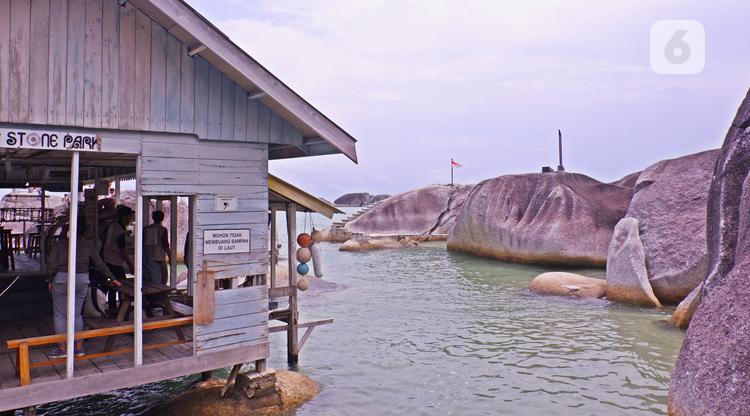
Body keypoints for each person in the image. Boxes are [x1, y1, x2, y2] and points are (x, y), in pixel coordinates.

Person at [47, 216, 121, 359]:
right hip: (82, 279)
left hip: (62, 278)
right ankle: (79, 348)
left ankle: (63, 349)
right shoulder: (88, 245)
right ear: (83, 231)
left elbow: (52, 263)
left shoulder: (60, 244)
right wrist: (112, 278)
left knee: (60, 315)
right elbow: (99, 263)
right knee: (76, 314)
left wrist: (50, 279)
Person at [102, 206, 134, 312]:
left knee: (112, 286)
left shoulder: (112, 226)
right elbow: (122, 249)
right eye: (130, 217)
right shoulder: (119, 230)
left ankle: (112, 307)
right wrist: (130, 265)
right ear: (125, 216)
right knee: (122, 286)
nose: (131, 219)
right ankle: (122, 308)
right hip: (114, 262)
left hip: (106, 260)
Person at [143, 210, 170, 285]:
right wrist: (170, 257)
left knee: (148, 278)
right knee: (162, 279)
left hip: (147, 257)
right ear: (162, 218)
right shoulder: (163, 230)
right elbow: (165, 245)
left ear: (152, 218)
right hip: (159, 258)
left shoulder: (145, 229)